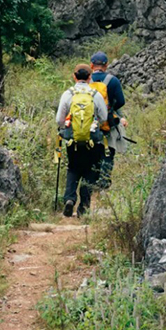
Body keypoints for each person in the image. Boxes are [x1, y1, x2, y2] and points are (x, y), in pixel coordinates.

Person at [55, 66, 108, 218]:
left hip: (73, 141)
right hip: (92, 141)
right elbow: (103, 117)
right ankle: (83, 208)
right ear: (90, 77)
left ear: (74, 76)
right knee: (89, 172)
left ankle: (70, 199)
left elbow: (59, 120)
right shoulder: (95, 94)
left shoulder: (68, 94)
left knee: (73, 169)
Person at [89, 52, 126, 189]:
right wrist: (110, 110)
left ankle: (91, 181)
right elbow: (121, 101)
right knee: (108, 150)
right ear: (106, 64)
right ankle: (104, 182)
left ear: (91, 65)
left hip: (88, 123)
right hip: (108, 122)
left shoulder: (86, 79)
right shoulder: (113, 80)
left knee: (92, 150)